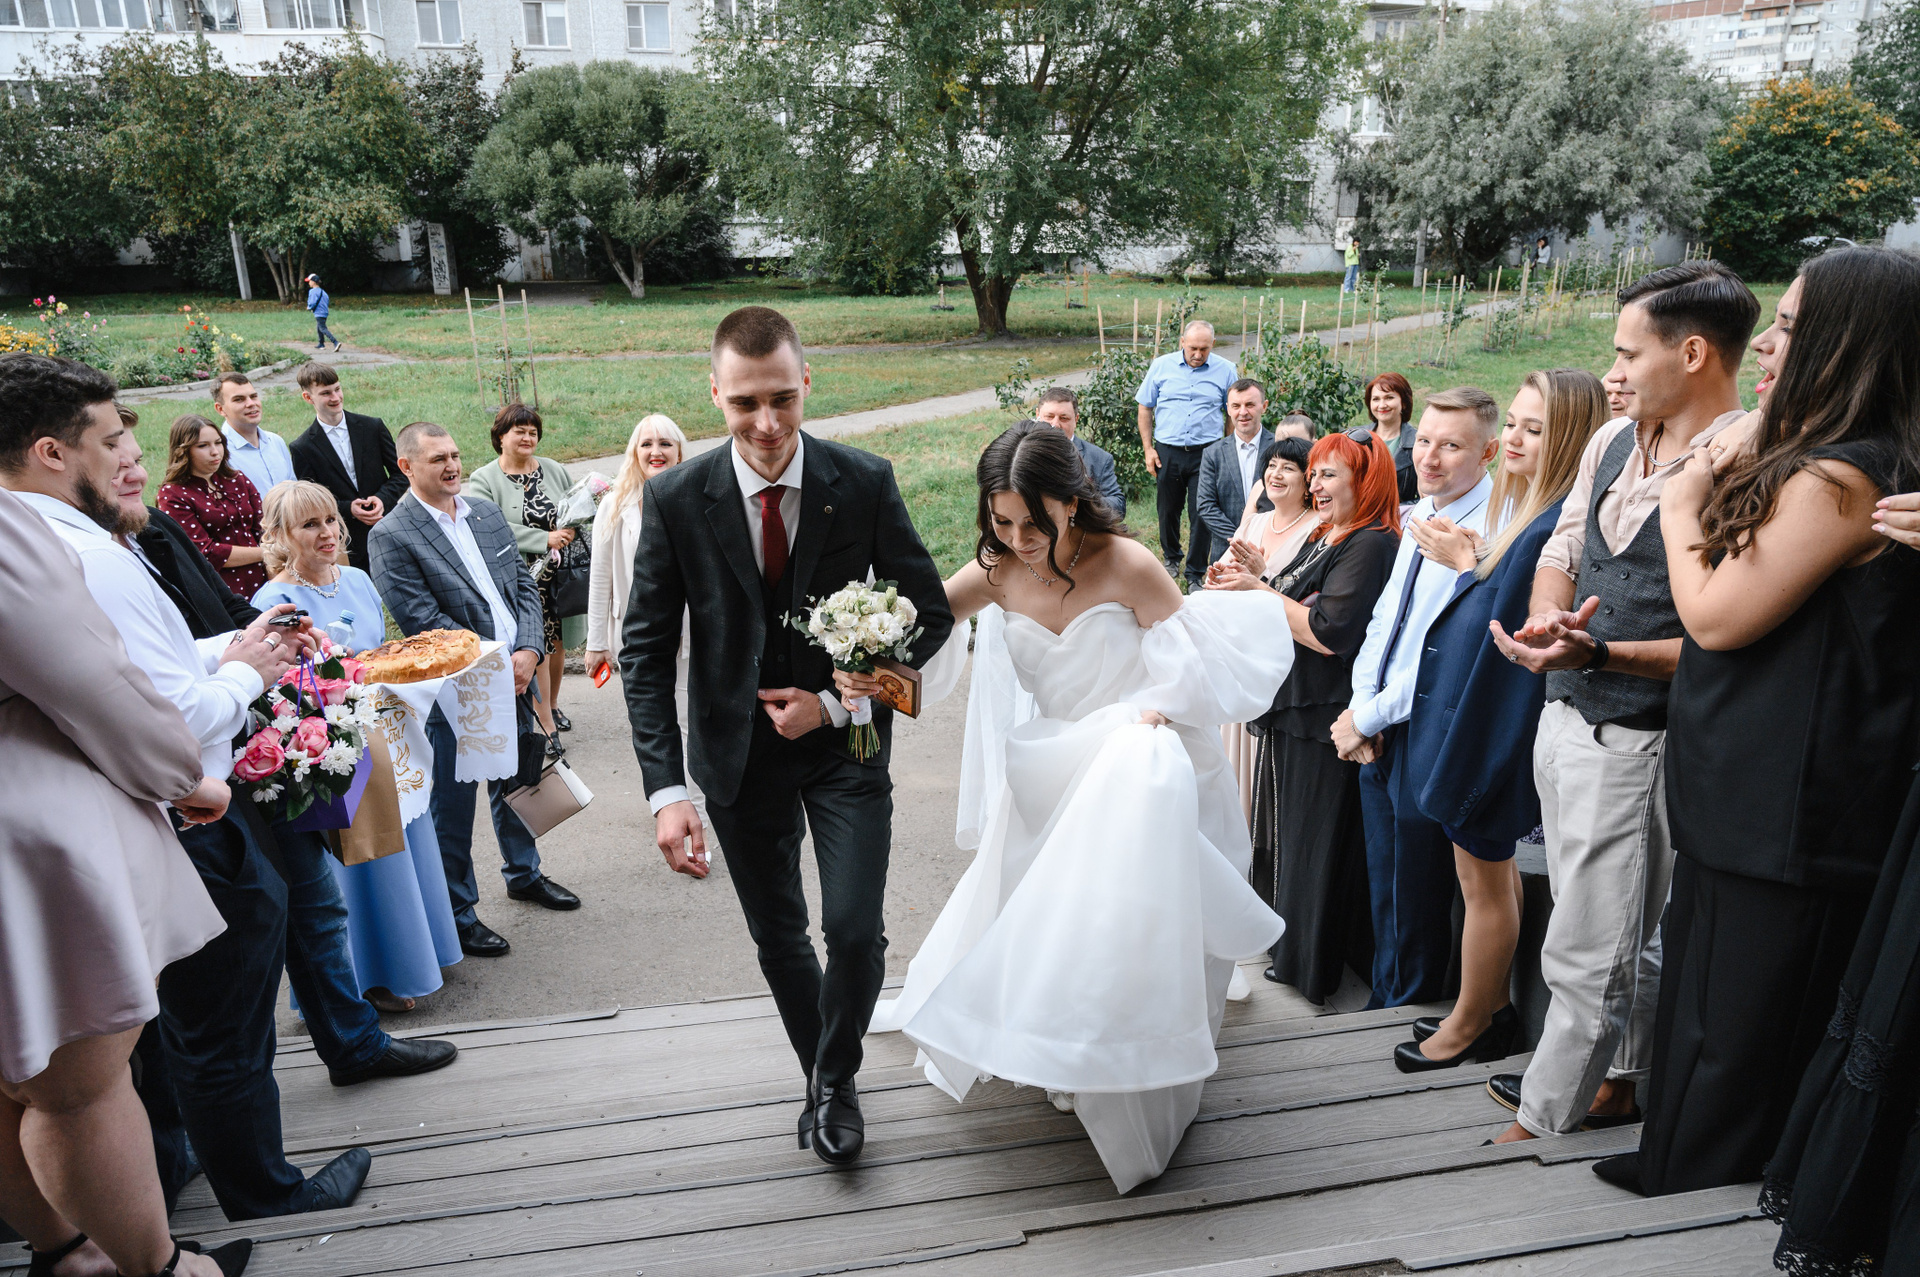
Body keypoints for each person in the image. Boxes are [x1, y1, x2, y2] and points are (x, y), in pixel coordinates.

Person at [863, 421, 1292, 1193]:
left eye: (1034, 521)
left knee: (1128, 925)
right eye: (1001, 522)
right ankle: (1060, 1048)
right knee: (1052, 922)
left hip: (1141, 765)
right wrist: (866, 676)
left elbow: (1190, 672)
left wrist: (1153, 711)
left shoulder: (1127, 563)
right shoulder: (995, 570)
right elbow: (914, 650)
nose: (1019, 540)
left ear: (1072, 501)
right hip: (1055, 768)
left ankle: (1134, 1061)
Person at [0, 353, 372, 1220]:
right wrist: (243, 679)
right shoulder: (77, 555)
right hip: (184, 809)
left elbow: (147, 670)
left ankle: (170, 1173)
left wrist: (232, 648)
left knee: (178, 1031)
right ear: (52, 452)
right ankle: (262, 1189)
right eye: (111, 441)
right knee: (221, 1020)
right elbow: (162, 713)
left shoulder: (62, 541)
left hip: (150, 808)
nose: (132, 460)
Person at [1591, 247, 1920, 1198]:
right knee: (1704, 989)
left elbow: (1717, 615)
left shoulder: (1847, 478)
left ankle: (1702, 1186)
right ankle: (1678, 1154)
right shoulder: (1817, 457)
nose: (1768, 343)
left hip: (1794, 800)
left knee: (1742, 1018)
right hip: (1746, 786)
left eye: (1788, 325)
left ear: (1846, 343)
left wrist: (1682, 500)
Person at [620, 306, 954, 1168]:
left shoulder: (864, 481)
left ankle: (832, 1079)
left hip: (847, 748)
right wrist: (666, 791)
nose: (766, 423)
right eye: (744, 403)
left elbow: (931, 614)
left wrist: (840, 700)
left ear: (806, 381)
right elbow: (644, 652)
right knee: (780, 937)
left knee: (855, 931)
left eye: (781, 398)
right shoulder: (674, 498)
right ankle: (830, 1081)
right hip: (734, 759)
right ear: (715, 394)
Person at [1485, 260, 1759, 1147]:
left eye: (1627, 354)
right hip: (1563, 713)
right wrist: (1548, 620)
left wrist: (1601, 651)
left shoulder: (1749, 462)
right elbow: (1564, 547)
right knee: (1607, 924)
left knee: (1589, 948)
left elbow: (1727, 636)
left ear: (1692, 353)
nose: (1613, 371)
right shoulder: (1610, 439)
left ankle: (1544, 1117)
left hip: (1640, 738)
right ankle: (1620, 1081)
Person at [0, 486, 250, 1277]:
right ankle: (160, 1269)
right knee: (74, 1084)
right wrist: (183, 776)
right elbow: (92, 680)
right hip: (25, 838)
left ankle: (66, 1252)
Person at [1394, 370, 1608, 1073]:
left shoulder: (1550, 524)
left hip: (1489, 726)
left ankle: (1471, 1021)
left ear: (1571, 437)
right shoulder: (1533, 513)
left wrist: (1467, 566)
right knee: (1491, 875)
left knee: (1481, 882)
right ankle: (1487, 1005)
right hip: (1478, 719)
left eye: (1534, 428)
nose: (1513, 438)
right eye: (1512, 422)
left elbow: (1508, 629)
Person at [369, 421, 580, 959]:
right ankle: (458, 913)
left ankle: (524, 874)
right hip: (454, 693)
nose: (453, 466)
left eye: (456, 455)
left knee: (518, 780)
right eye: (438, 458)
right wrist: (495, 664)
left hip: (517, 674)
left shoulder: (483, 512)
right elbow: (421, 619)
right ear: (406, 467)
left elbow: (524, 588)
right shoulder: (392, 534)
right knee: (453, 807)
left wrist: (529, 650)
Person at [254, 480, 465, 1015]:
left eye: (330, 519)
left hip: (390, 731)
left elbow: (379, 652)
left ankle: (417, 953)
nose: (327, 533)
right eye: (310, 525)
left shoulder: (357, 578)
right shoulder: (273, 602)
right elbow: (278, 685)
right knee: (362, 860)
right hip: (333, 743)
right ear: (280, 535)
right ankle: (368, 978)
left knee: (407, 842)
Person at [1209, 428, 1400, 1004]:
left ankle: (1309, 966)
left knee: (1315, 844)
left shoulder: (1370, 543)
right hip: (1295, 706)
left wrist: (1258, 589)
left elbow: (1327, 631)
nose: (1315, 484)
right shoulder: (1328, 532)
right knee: (1291, 836)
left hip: (1324, 715)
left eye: (1328, 475)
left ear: (1364, 481)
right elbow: (1291, 598)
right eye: (1313, 473)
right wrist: (1262, 576)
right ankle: (1289, 951)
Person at [1334, 386, 1501, 1007]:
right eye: (1424, 440)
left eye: (1450, 446)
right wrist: (1361, 705)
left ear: (1487, 453)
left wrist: (1370, 715)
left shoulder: (1493, 532)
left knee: (1416, 882)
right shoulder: (1418, 513)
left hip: (1428, 723)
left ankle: (1407, 1007)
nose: (1428, 457)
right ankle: (1386, 994)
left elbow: (1445, 653)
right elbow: (1387, 619)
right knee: (1385, 875)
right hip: (1378, 717)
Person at [583, 415, 706, 824]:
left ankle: (697, 817)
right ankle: (669, 803)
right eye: (647, 444)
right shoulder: (614, 504)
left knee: (689, 723)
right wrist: (596, 642)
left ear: (680, 452)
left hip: (690, 633)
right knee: (652, 723)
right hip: (637, 637)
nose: (656, 452)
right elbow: (600, 578)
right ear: (634, 453)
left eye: (666, 444)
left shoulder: (698, 498)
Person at [1206, 434, 1316, 824]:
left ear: (1308, 480)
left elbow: (1300, 595)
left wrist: (1261, 575)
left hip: (1280, 659)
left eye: (1288, 468)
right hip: (1239, 652)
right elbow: (1224, 571)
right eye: (1271, 466)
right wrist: (1217, 577)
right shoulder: (1254, 522)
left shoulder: (1318, 529)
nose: (1276, 474)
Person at [469, 403, 584, 746]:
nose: (527, 438)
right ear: (501, 436)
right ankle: (543, 720)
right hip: (519, 577)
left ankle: (552, 705)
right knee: (538, 645)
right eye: (519, 431)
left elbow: (574, 505)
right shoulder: (484, 478)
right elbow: (488, 525)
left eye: (533, 432)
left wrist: (573, 527)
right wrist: (542, 539)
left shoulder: (554, 469)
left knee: (558, 642)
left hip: (558, 574)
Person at [1136, 320, 1237, 589]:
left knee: (1202, 513)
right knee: (1167, 509)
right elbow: (1145, 407)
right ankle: (1171, 558)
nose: (1197, 354)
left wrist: (1227, 449)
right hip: (1167, 451)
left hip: (1207, 453)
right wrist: (1148, 449)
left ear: (1213, 345)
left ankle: (1195, 572)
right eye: (1192, 348)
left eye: (1204, 349)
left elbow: (1232, 412)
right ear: (1182, 342)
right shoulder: (1161, 366)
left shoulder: (1226, 370)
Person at [287, 363, 406, 572]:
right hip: (347, 540)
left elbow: (401, 473)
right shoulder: (302, 447)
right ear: (308, 397)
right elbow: (312, 500)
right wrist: (348, 508)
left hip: (389, 524)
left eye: (337, 389)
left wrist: (382, 498)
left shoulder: (372, 427)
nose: (335, 397)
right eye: (326, 393)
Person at [156, 412, 267, 598]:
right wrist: (266, 553)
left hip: (266, 580)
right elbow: (204, 553)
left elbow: (264, 527)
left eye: (218, 443)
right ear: (183, 451)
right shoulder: (173, 494)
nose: (215, 451)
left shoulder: (237, 479)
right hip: (222, 591)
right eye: (203, 446)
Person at [1196, 378, 1275, 557]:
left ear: (1264, 406)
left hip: (1270, 547)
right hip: (1226, 549)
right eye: (1236, 406)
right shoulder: (1213, 453)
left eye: (1250, 405)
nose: (1243, 412)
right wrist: (1238, 539)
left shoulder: (1279, 447)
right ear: (1228, 409)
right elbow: (1206, 505)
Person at [1034, 386, 1124, 517]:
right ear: (1037, 415)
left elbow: (1118, 505)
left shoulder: (1099, 458)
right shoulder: (1019, 451)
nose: (1055, 424)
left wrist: (1082, 502)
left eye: (1064, 418)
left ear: (1076, 420)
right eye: (1049, 416)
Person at [211, 374, 295, 502]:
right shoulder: (219, 452)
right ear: (220, 409)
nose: (251, 404)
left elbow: (293, 488)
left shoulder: (276, 441)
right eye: (239, 399)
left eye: (253, 396)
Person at [1363, 372, 1419, 504]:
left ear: (1404, 402)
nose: (1382, 405)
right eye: (1376, 399)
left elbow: (1426, 498)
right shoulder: (1354, 438)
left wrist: (1397, 510)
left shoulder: (1418, 444)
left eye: (1389, 398)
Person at [304, 274, 340, 352]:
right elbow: (327, 300)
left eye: (309, 281)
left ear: (313, 282)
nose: (309, 283)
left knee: (323, 328)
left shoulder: (312, 291)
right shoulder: (323, 292)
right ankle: (321, 344)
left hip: (318, 313)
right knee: (319, 327)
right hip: (325, 312)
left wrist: (309, 307)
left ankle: (335, 342)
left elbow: (312, 302)